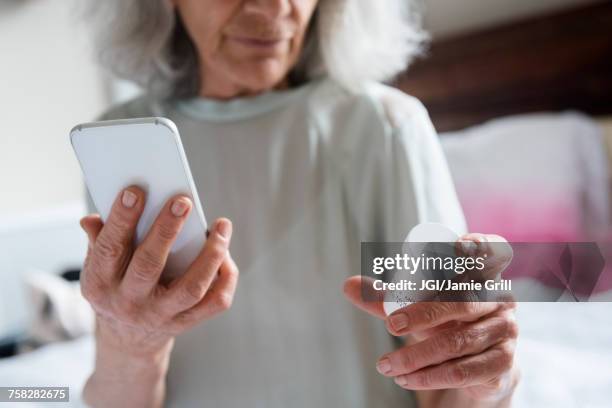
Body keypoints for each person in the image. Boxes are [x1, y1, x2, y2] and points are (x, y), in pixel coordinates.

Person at [79, 0, 520, 407]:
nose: (275, 7)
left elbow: (447, 376)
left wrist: (487, 375)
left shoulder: (384, 126)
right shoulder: (122, 139)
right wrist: (129, 342)